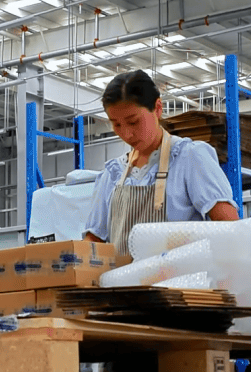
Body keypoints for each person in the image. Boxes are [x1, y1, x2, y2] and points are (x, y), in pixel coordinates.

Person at [84, 69, 239, 256]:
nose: (126, 134)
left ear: (157, 108)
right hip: (123, 276)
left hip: (181, 275)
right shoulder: (112, 175)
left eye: (133, 122)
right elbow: (93, 242)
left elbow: (229, 225)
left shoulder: (189, 158)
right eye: (116, 124)